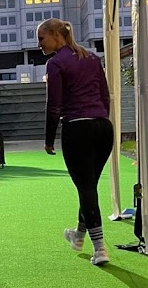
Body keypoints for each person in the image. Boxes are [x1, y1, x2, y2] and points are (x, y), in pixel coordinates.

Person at [38, 17, 113, 266]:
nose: (39, 44)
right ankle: (79, 236)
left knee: (86, 188)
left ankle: (100, 248)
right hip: (103, 129)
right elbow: (105, 95)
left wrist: (49, 140)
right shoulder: (92, 58)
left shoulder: (55, 63)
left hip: (77, 129)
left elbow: (54, 105)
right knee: (88, 186)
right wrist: (100, 118)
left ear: (56, 36)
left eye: (41, 38)